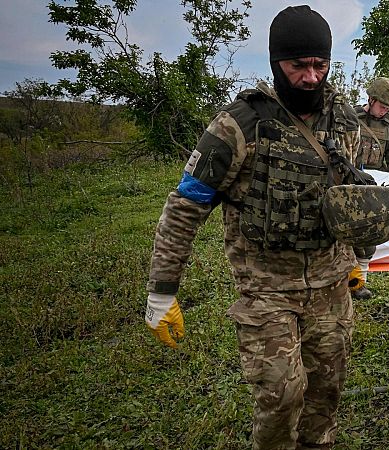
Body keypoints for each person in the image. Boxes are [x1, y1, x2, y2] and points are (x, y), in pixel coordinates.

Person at [144, 6, 360, 449]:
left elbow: (348, 196)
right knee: (282, 396)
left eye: (320, 65)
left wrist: (358, 257)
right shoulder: (239, 124)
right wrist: (162, 291)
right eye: (298, 65)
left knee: (327, 391)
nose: (311, 77)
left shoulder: (343, 120)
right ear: (275, 62)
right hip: (266, 288)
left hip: (331, 283)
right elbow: (187, 205)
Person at [348, 76, 389, 300]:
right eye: (383, 106)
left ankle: (359, 283)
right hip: (348, 183)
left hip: (374, 188)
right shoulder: (350, 117)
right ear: (371, 99)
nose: (385, 111)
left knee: (369, 236)